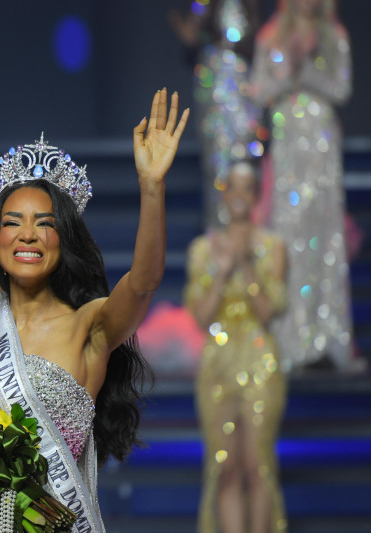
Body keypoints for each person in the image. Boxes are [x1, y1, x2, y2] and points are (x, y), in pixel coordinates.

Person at [0, 89, 189, 532]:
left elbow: (143, 281)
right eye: (12, 222)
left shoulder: (90, 326)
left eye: (44, 224)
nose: (27, 235)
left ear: (63, 240)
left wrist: (152, 185)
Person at [184, 162, 288, 533]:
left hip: (260, 359)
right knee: (225, 465)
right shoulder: (202, 250)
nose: (240, 196)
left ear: (256, 194)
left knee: (257, 464)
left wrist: (245, 262)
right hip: (217, 361)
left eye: (248, 188)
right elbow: (200, 316)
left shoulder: (273, 247)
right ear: (223, 194)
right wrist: (222, 270)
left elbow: (267, 310)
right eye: (234, 188)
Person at [251, 0, 353, 371]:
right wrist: (287, 75)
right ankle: (290, 340)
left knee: (323, 235)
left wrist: (307, 73)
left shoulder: (335, 36)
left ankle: (326, 337)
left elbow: (342, 88)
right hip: (288, 138)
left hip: (322, 142)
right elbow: (258, 88)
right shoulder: (270, 36)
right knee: (289, 233)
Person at [169, 0, 263, 228]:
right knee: (218, 159)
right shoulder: (205, 3)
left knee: (246, 154)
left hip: (244, 83)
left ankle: (248, 233)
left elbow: (258, 42)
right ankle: (220, 232)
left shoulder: (250, 4)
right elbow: (191, 37)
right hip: (215, 82)